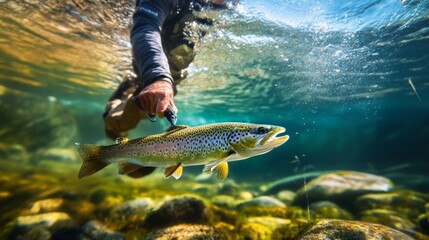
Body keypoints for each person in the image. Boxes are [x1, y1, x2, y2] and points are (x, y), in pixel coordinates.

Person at [103, 0, 232, 140]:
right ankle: (116, 121)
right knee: (119, 126)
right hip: (151, 70)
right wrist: (158, 78)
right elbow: (146, 27)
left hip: (170, 76)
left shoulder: (226, 6)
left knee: (143, 109)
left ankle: (132, 89)